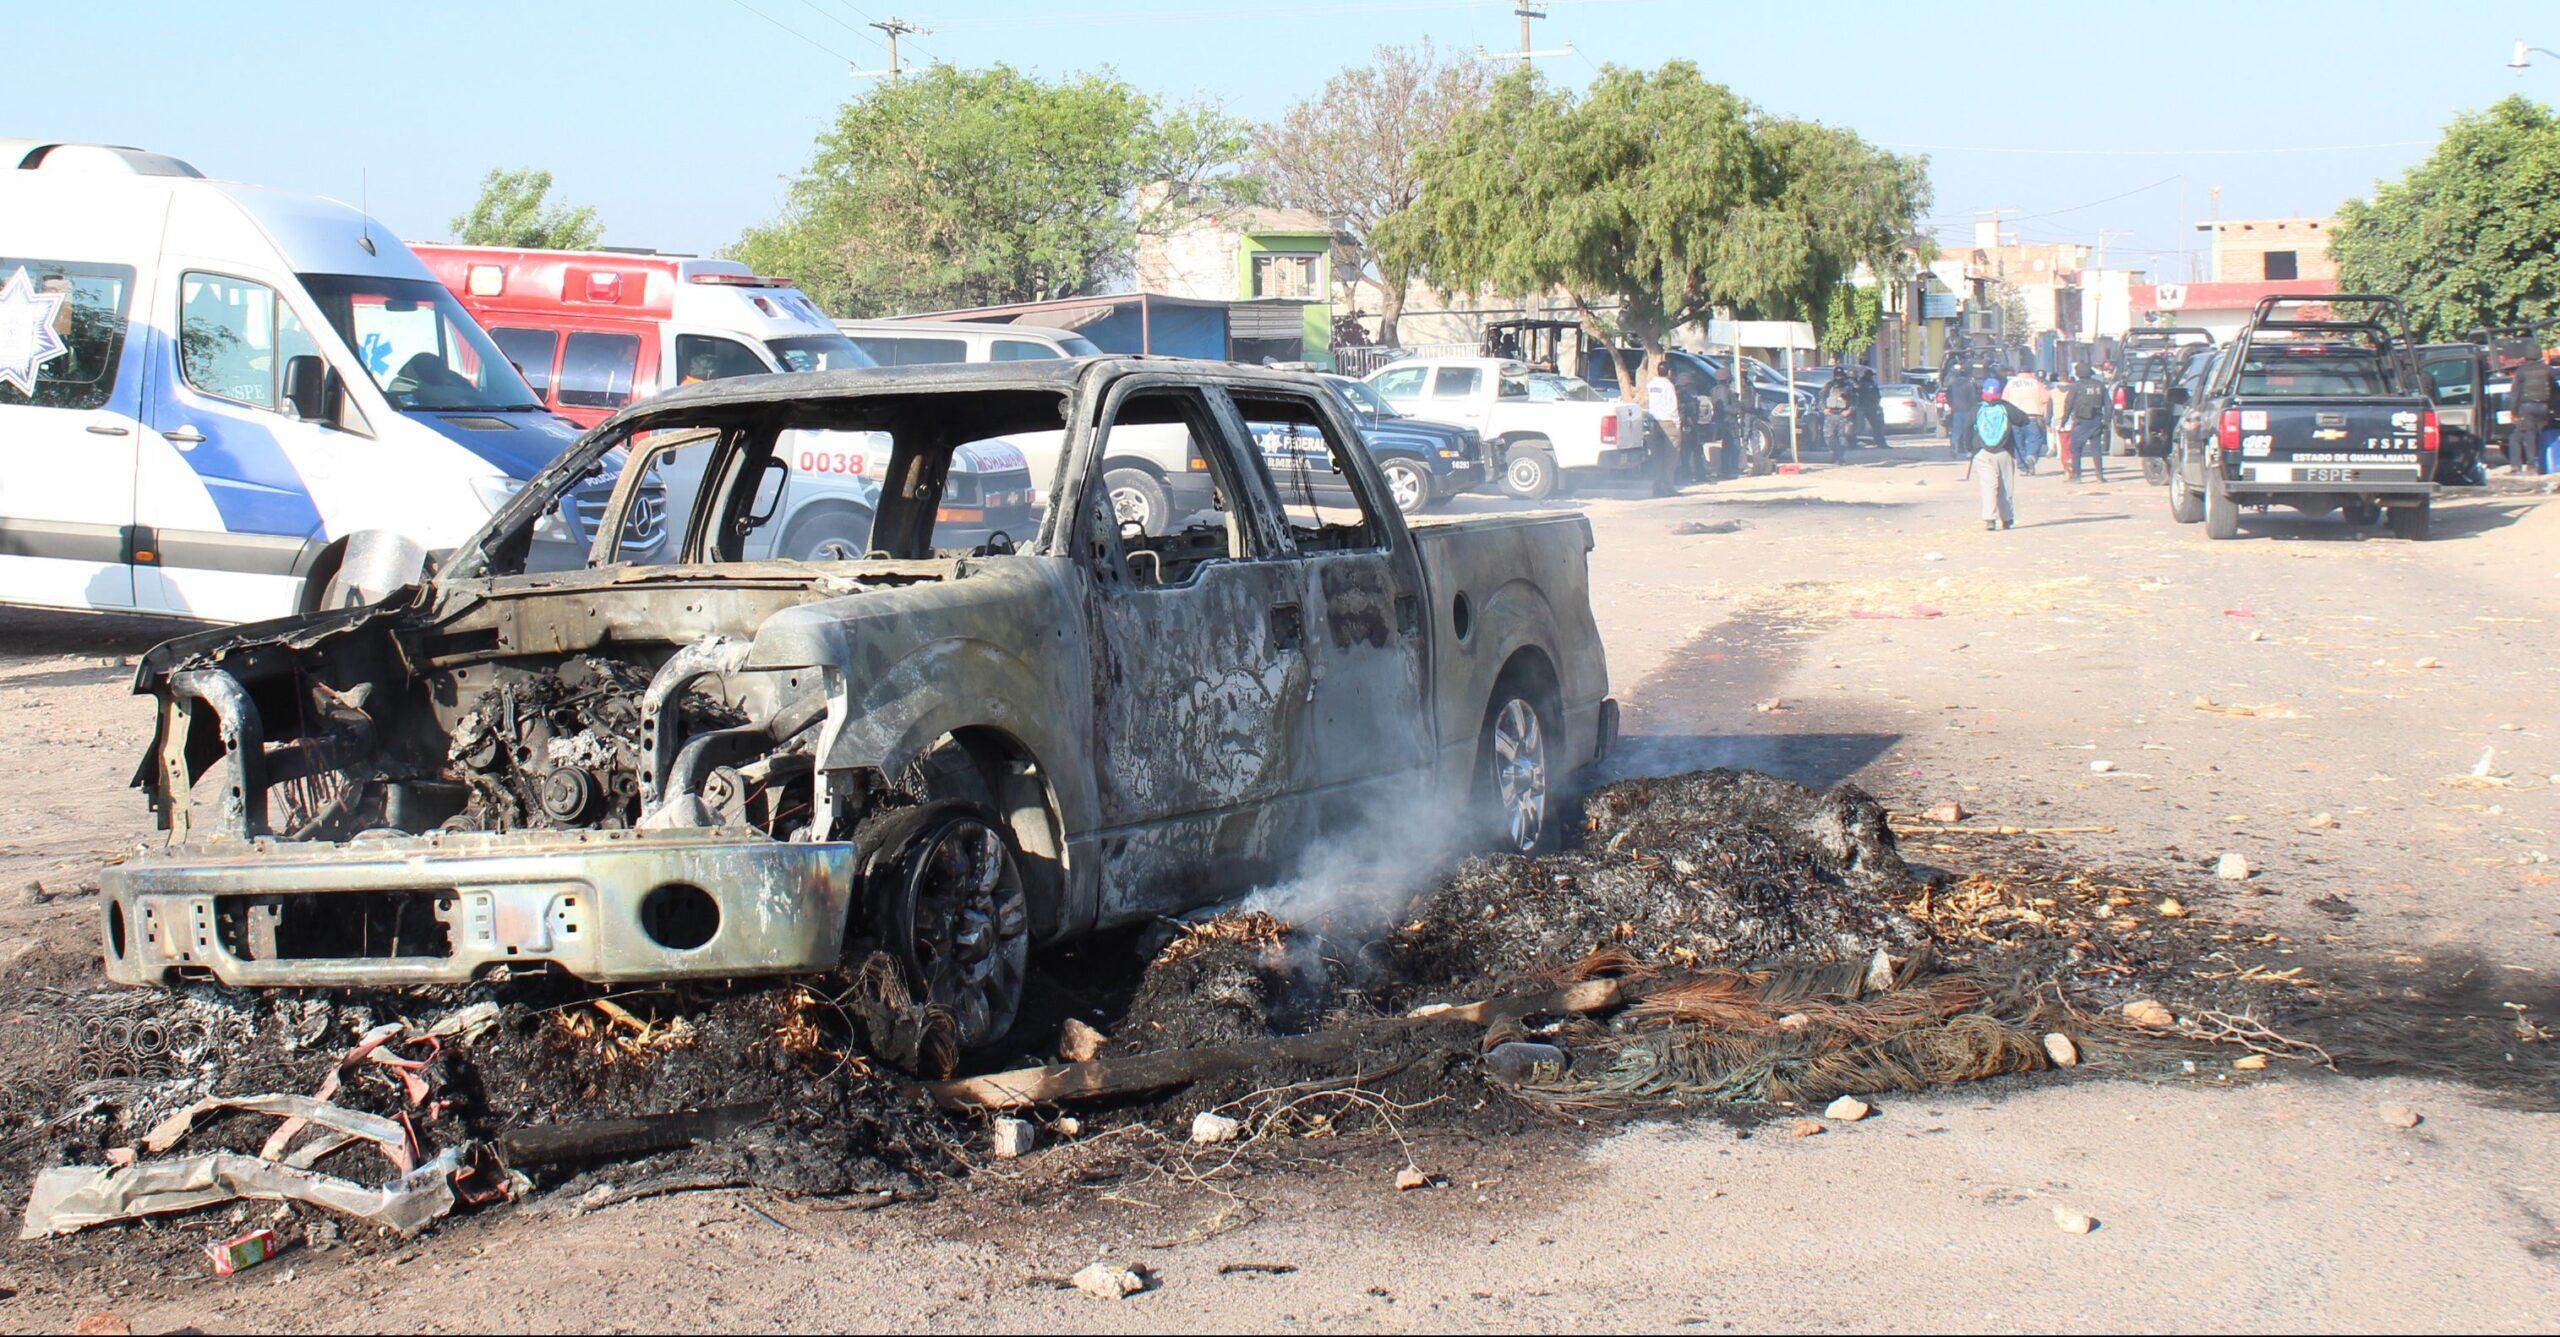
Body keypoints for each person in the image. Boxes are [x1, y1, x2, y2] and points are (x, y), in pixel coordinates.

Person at [1972, 377, 2029, 530]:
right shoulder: (2006, 407)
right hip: (2005, 451)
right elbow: (2024, 420)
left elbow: (1966, 428)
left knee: (1988, 486)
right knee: (2005, 486)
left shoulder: (1978, 408)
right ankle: (2007, 518)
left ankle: (1989, 519)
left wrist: (1972, 447)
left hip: (1983, 453)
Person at [2061, 363, 2111, 482]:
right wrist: (2107, 420)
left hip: (2081, 422)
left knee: (2076, 449)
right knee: (2096, 449)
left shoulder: (2076, 386)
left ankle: (2077, 475)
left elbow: (2068, 404)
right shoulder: (2099, 386)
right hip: (2096, 420)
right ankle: (2099, 475)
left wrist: (2064, 420)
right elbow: (2108, 405)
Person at [2510, 347, 2554, 477]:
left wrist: (2513, 411)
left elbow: (2515, 393)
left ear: (2526, 356)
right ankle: (2535, 464)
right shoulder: (2547, 370)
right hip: (2544, 407)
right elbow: (2555, 390)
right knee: (2536, 435)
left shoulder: (2521, 371)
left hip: (2527, 407)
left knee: (2528, 435)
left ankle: (2531, 466)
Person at [2003, 367, 2051, 474]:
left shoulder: (2011, 383)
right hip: (2033, 416)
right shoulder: (2036, 383)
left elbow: (2004, 400)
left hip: (2015, 418)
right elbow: (2046, 398)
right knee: (2035, 439)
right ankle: (2031, 456)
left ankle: (2023, 466)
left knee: (2018, 443)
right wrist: (2046, 416)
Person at [1946, 364, 1980, 456]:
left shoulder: (1952, 384)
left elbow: (1948, 396)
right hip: (1968, 410)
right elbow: (1973, 398)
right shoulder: (1969, 384)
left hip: (1957, 410)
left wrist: (1951, 405)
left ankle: (1954, 447)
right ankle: (1969, 450)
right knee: (1969, 430)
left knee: (1957, 430)